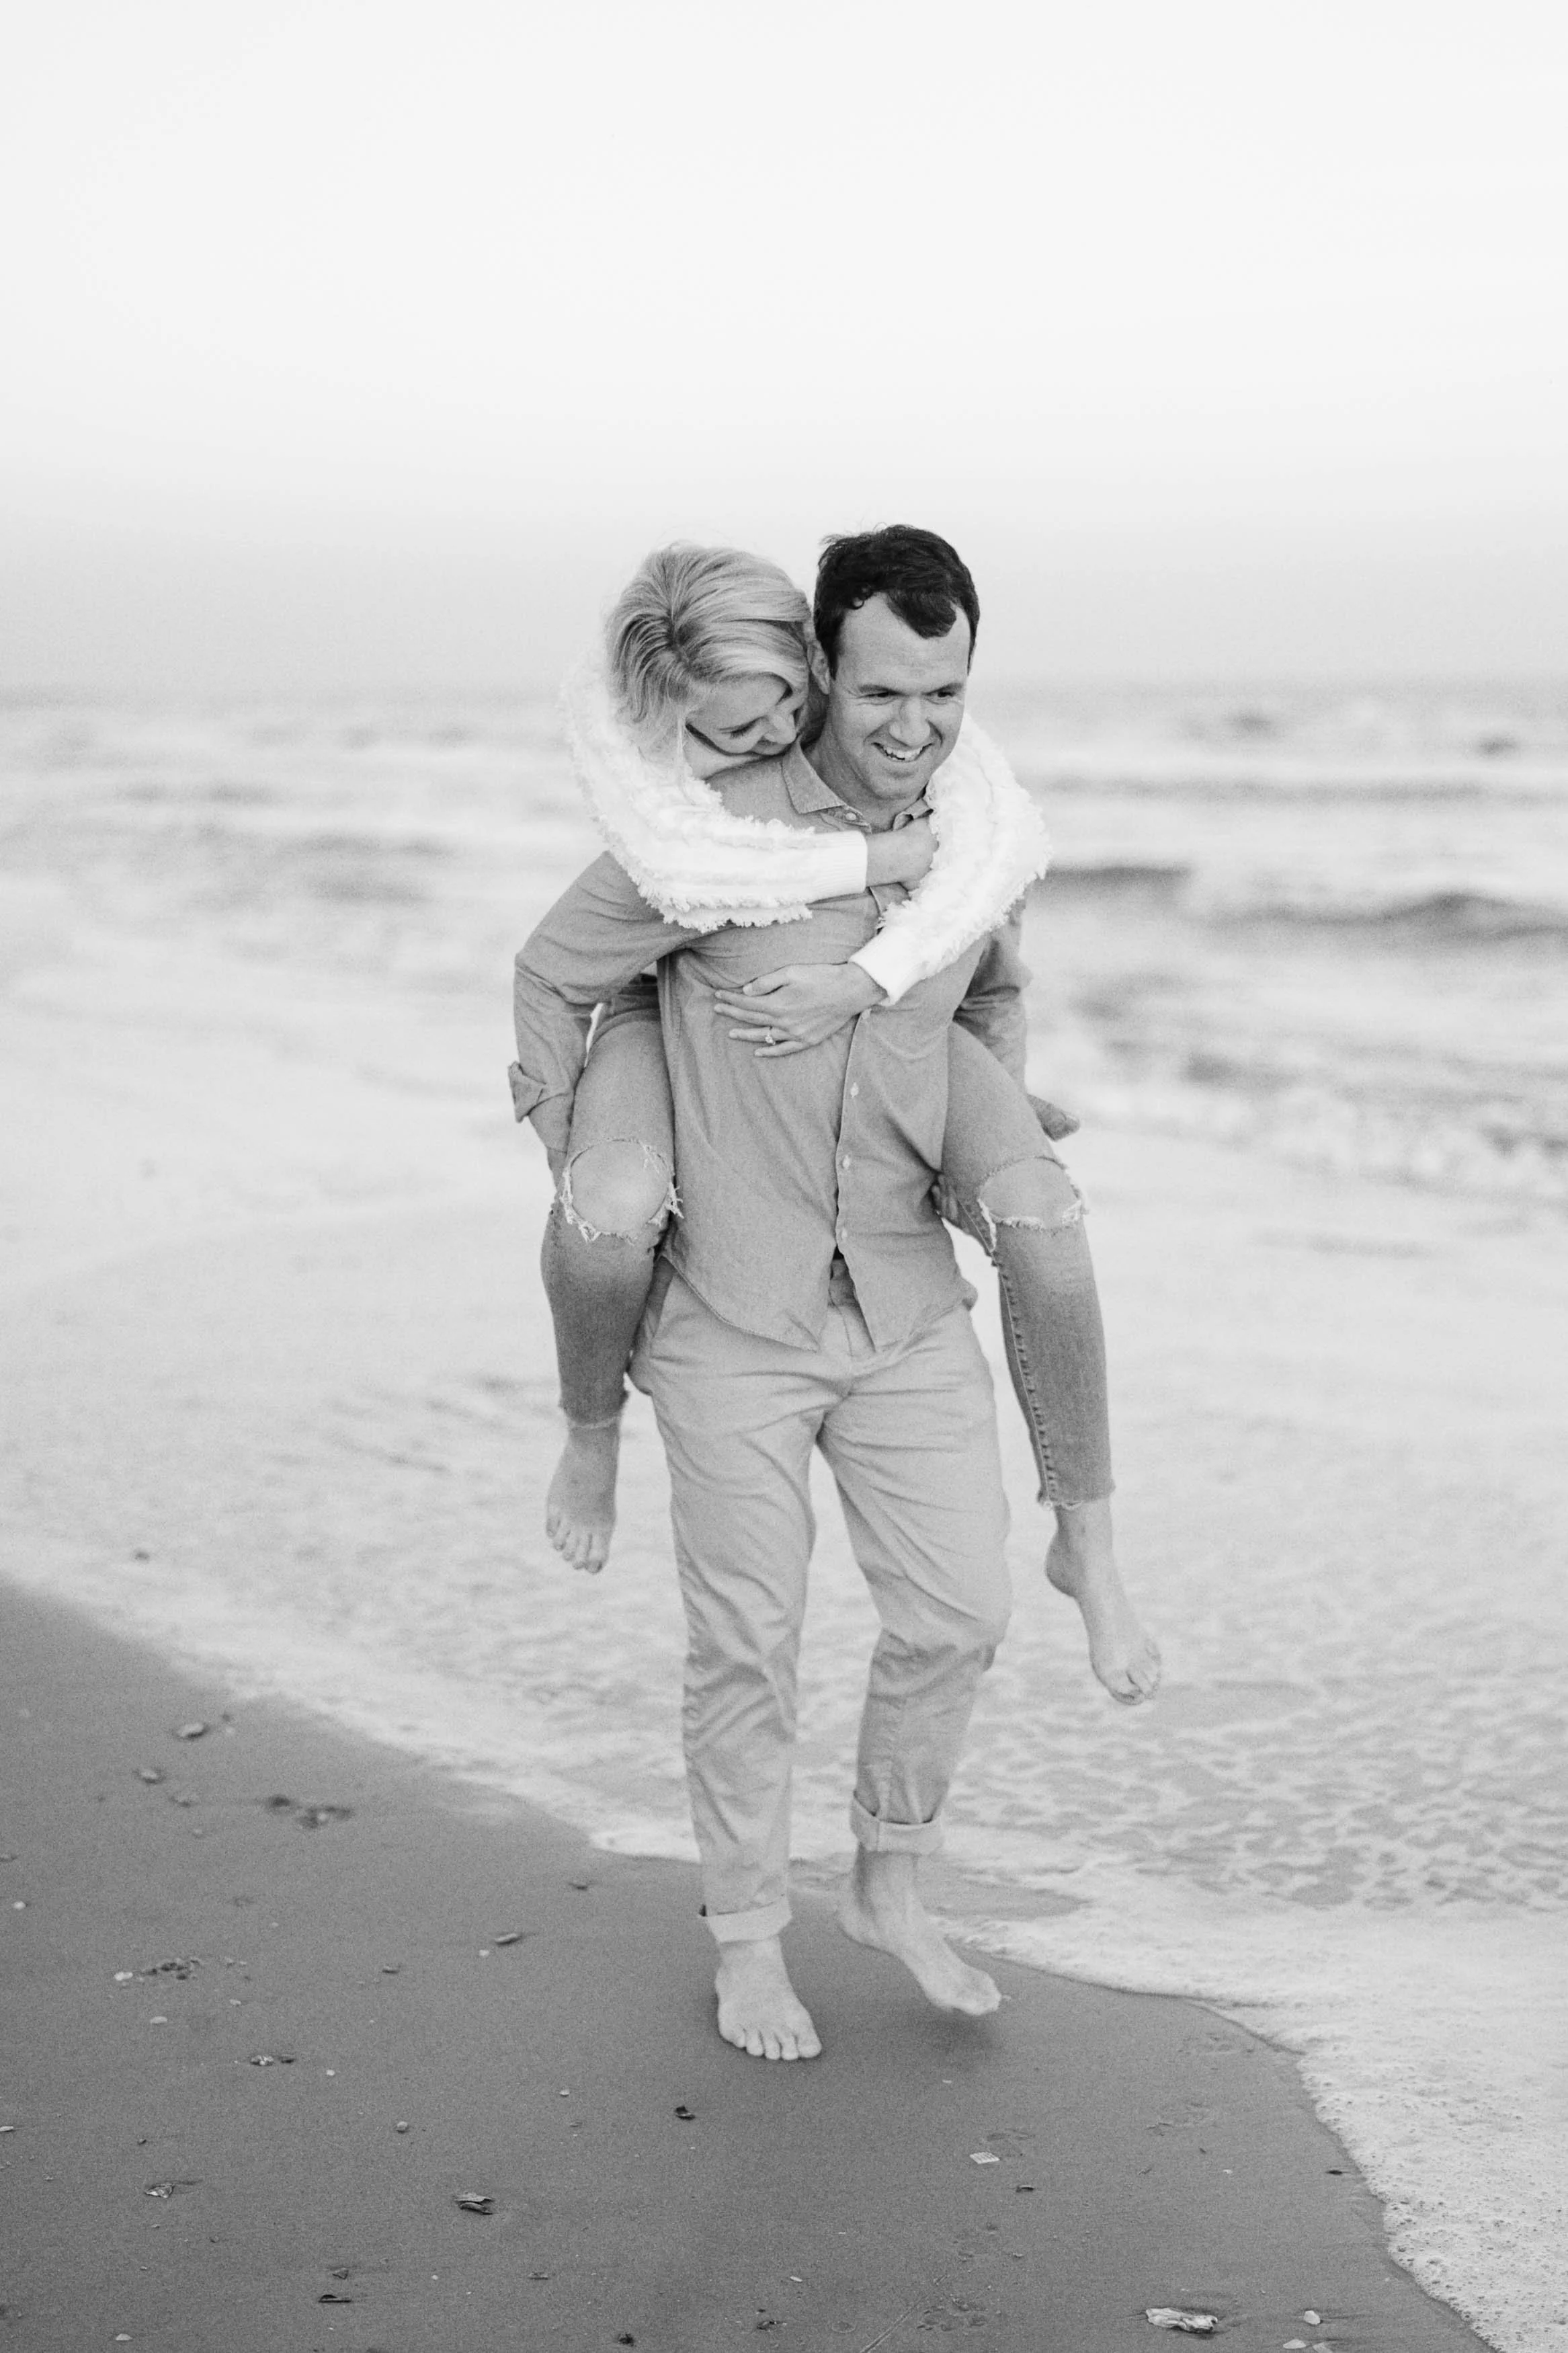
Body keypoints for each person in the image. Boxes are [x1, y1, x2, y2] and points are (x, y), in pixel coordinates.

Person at [512, 528, 1153, 2063]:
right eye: (881, 693)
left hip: (905, 1301)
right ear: (821, 666)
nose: (914, 727)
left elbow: (991, 991)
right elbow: (553, 971)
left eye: (945, 694)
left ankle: (888, 1878)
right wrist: (581, 1159)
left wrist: (998, 1109)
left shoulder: (970, 839)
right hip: (731, 1314)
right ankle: (747, 1939)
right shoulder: (713, 840)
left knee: (963, 1614)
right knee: (747, 1648)